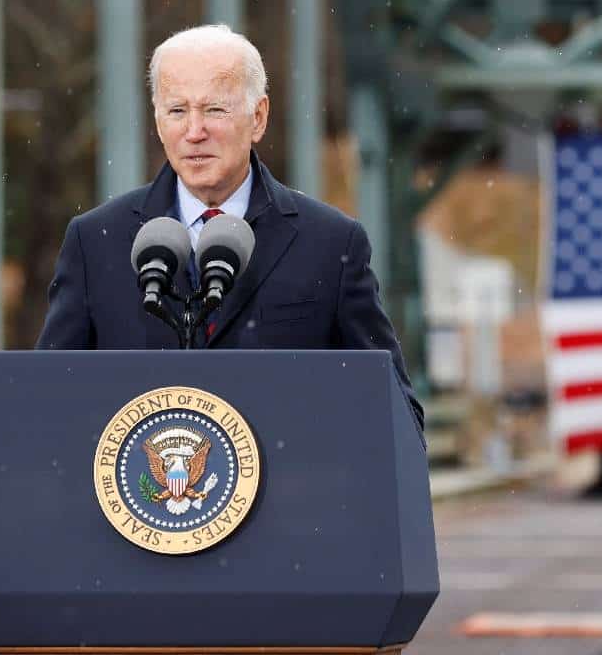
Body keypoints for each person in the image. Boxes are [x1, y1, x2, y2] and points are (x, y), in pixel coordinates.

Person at [36, 24, 423, 433]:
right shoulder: (94, 243)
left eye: (215, 110)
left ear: (258, 117)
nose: (194, 132)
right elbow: (45, 404)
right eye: (177, 111)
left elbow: (396, 414)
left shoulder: (331, 244)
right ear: (158, 120)